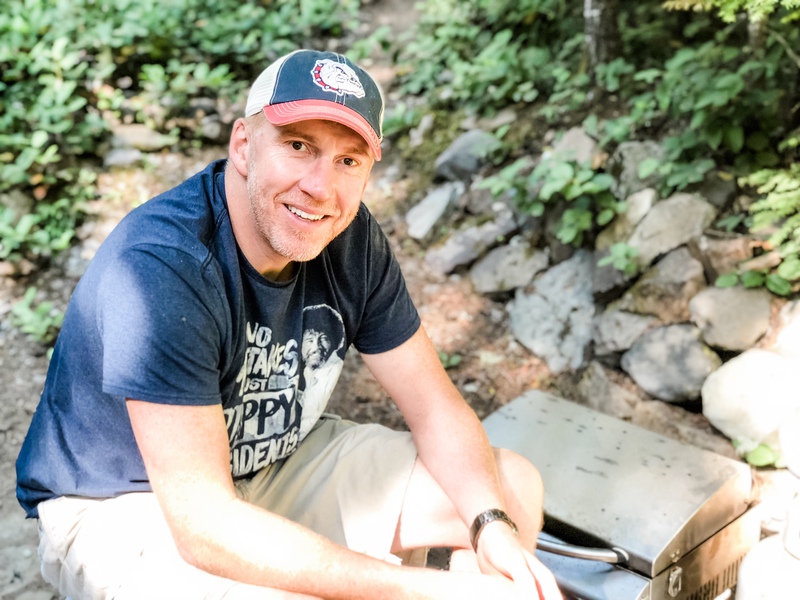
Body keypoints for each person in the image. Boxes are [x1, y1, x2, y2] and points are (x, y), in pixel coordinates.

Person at [16, 49, 562, 600]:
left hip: (272, 460)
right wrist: (423, 590)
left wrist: (491, 527)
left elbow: (437, 408)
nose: (321, 188)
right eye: (299, 146)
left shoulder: (349, 239)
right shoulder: (163, 264)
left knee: (510, 488)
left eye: (349, 160)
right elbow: (204, 524)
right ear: (244, 146)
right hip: (128, 505)